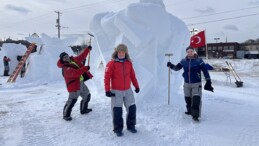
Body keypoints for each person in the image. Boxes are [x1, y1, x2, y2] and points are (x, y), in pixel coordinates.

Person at [167, 46, 214, 122]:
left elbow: (205, 70)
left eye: (191, 51)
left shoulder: (199, 60)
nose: (190, 53)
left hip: (196, 83)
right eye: (188, 51)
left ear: (194, 51)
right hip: (186, 84)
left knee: (196, 99)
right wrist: (171, 65)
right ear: (186, 52)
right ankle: (189, 111)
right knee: (187, 99)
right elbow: (177, 68)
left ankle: (195, 115)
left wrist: (208, 80)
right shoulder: (183, 61)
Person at [104, 44, 140, 137]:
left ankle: (131, 126)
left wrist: (136, 86)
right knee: (117, 111)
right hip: (116, 92)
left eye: (122, 52)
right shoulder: (111, 64)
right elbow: (107, 77)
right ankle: (118, 129)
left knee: (132, 108)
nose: (121, 53)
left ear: (125, 53)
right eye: (119, 52)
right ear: (116, 52)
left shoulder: (129, 63)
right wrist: (107, 90)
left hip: (128, 91)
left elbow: (132, 76)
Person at [57, 45, 93, 121]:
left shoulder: (73, 60)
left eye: (66, 56)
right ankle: (66, 115)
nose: (66, 58)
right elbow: (75, 73)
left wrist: (87, 49)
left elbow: (81, 56)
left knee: (87, 95)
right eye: (64, 57)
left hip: (81, 83)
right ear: (62, 60)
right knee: (72, 101)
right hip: (74, 86)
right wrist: (85, 68)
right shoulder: (66, 67)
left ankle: (84, 109)